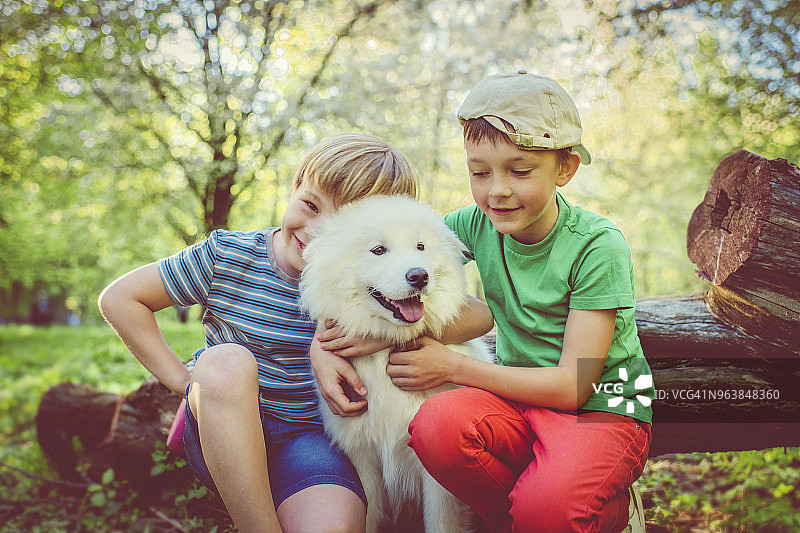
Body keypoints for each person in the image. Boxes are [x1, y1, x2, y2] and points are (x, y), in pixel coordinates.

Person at [313, 72, 654, 533]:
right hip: (518, 405)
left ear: (566, 168)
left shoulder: (598, 246)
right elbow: (395, 252)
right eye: (479, 171)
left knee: (548, 511)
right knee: (436, 426)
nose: (497, 190)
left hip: (599, 409)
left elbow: (574, 386)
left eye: (520, 170)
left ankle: (598, 509)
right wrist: (327, 343)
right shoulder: (473, 224)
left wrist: (453, 368)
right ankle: (529, 515)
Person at [99, 133, 429, 533]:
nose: (316, 230)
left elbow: (474, 316)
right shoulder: (228, 255)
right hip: (225, 436)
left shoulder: (368, 282)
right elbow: (121, 299)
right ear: (293, 188)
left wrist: (367, 337)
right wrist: (185, 384)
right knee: (225, 362)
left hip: (312, 443)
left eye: (342, 223)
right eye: (309, 205)